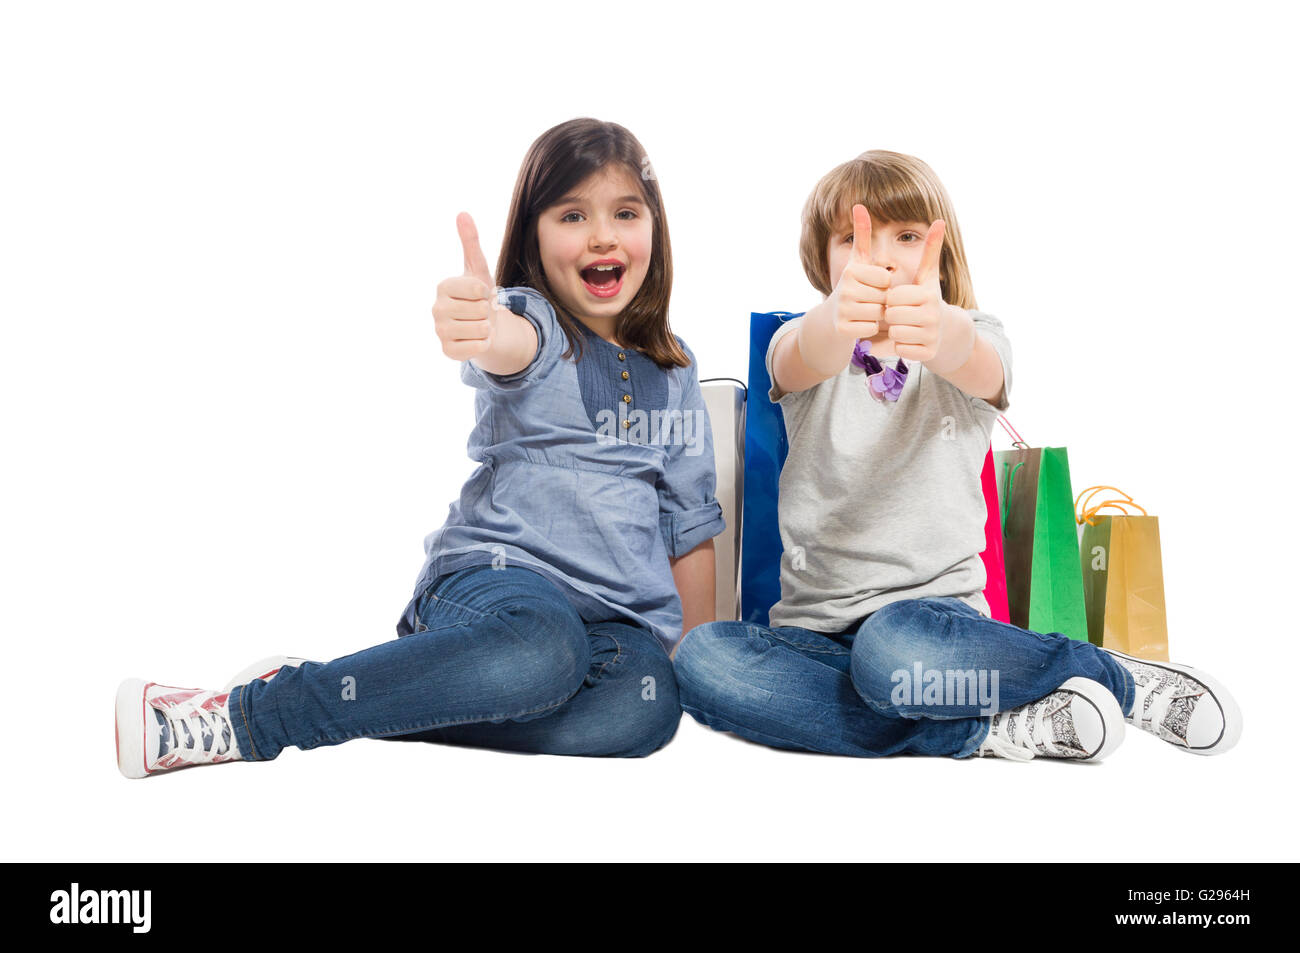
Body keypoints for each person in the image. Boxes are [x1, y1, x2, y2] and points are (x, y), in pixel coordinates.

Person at [115, 118, 725, 778]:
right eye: (573, 214)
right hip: (499, 584)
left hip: (615, 628)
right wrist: (480, 322)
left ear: (654, 229)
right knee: (544, 650)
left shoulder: (676, 368)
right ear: (535, 235)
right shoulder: (537, 326)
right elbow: (504, 342)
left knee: (646, 708)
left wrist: (692, 660)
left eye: (625, 212)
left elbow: (688, 525)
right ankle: (252, 714)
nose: (603, 234)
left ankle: (369, 696)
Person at [673, 150, 1241, 762]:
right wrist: (839, 320)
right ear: (823, 262)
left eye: (908, 236)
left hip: (930, 628)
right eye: (854, 239)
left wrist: (942, 333)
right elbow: (801, 354)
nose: (883, 257)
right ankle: (981, 730)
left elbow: (981, 363)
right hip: (814, 638)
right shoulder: (802, 342)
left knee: (890, 654)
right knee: (704, 660)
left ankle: (1115, 677)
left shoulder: (972, 333)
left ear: (941, 256)